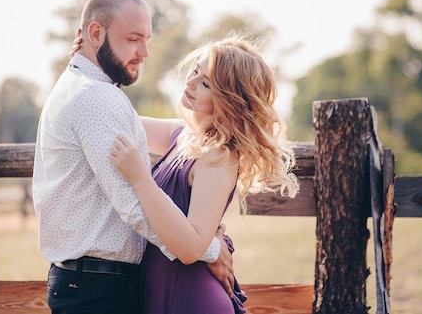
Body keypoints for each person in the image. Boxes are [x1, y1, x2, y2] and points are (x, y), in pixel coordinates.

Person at [32, 0, 231, 314]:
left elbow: (167, 131)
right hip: (98, 291)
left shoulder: (82, 89)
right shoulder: (95, 98)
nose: (145, 51)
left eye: (147, 39)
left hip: (91, 285)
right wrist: (208, 248)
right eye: (133, 38)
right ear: (96, 33)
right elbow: (134, 205)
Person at [107, 34, 300, 314]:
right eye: (195, 71)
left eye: (206, 83)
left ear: (230, 100)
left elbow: (191, 247)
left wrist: (140, 179)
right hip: (162, 291)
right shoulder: (181, 135)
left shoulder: (219, 155)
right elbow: (118, 120)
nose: (191, 83)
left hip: (192, 300)